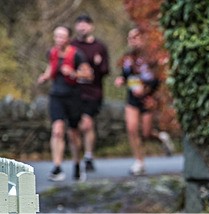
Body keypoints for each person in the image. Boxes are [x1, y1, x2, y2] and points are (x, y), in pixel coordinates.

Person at [114, 28, 174, 176]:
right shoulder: (127, 58)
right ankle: (139, 162)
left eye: (136, 38)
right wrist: (121, 80)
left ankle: (161, 138)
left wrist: (147, 91)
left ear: (142, 39)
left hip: (148, 98)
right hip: (132, 98)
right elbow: (126, 75)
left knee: (146, 133)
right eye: (131, 38)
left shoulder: (151, 58)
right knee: (132, 129)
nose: (133, 41)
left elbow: (158, 79)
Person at [37, 25, 90, 182]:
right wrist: (45, 77)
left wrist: (73, 73)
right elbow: (50, 68)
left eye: (62, 36)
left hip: (73, 97)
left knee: (73, 133)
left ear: (68, 39)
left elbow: (88, 75)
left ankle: (77, 164)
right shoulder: (51, 53)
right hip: (56, 96)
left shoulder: (77, 55)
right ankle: (57, 167)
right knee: (57, 130)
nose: (59, 39)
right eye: (56, 36)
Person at [71, 13, 110, 174]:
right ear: (75, 27)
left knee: (87, 123)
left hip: (93, 92)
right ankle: (77, 158)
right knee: (75, 127)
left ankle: (88, 156)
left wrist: (98, 64)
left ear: (91, 26)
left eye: (85, 23)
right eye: (79, 23)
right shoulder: (71, 46)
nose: (82, 27)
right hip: (74, 92)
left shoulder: (99, 47)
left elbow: (106, 71)